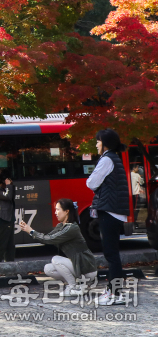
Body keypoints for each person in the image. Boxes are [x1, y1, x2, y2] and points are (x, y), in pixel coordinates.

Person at [86, 129, 130, 306]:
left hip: (109, 211)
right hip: (114, 211)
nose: (96, 144)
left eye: (98, 141)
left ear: (105, 143)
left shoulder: (106, 159)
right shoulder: (114, 158)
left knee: (111, 255)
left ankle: (115, 293)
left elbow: (91, 183)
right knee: (112, 254)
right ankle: (113, 291)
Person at [20, 198, 98, 296]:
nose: (55, 213)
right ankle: (78, 285)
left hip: (87, 268)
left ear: (66, 211)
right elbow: (47, 237)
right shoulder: (61, 226)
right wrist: (30, 231)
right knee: (48, 269)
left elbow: (49, 239)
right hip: (78, 266)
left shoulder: (71, 228)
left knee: (56, 259)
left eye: (58, 210)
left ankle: (72, 287)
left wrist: (31, 231)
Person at [0, 169, 16, 262]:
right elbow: (8, 196)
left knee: (10, 246)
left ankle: (9, 267)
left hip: (9, 220)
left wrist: (11, 185)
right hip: (2, 220)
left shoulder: (4, 188)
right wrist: (9, 185)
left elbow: (12, 196)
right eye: (6, 179)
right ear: (2, 180)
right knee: (0, 246)